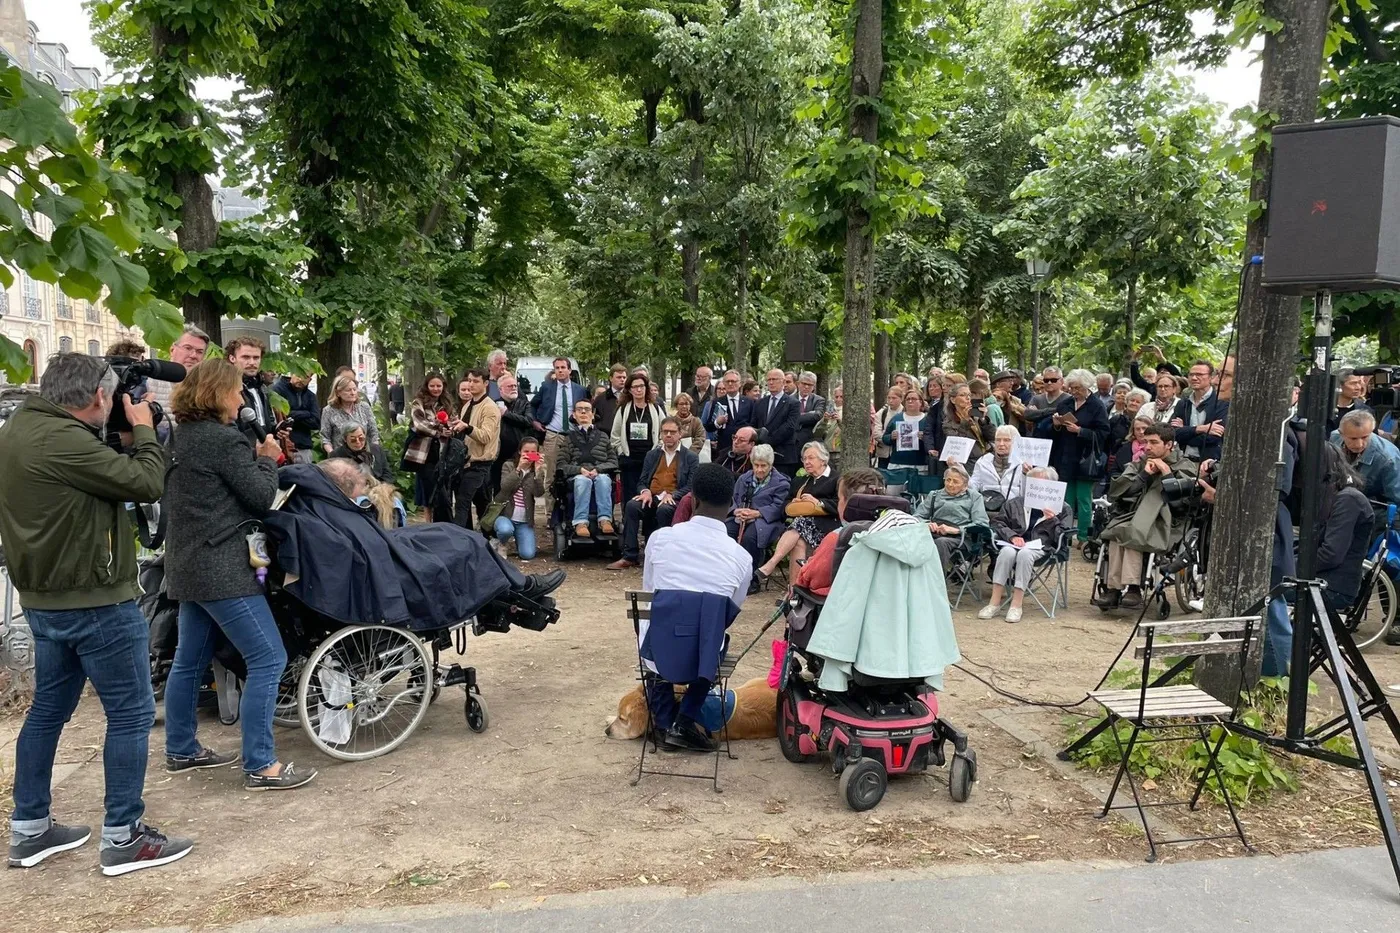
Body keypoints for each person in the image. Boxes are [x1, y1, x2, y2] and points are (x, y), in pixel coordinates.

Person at [1, 353, 190, 875]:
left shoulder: (23, 426)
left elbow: (87, 476)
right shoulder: (65, 440)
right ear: (97, 398)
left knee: (46, 713)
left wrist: (120, 440)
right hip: (95, 598)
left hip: (45, 597)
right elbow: (147, 484)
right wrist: (146, 430)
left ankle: (30, 829)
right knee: (129, 715)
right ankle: (124, 837)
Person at [162, 359, 316, 796]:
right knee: (268, 658)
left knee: (189, 659)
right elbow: (263, 497)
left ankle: (181, 747)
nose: (240, 400)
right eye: (235, 392)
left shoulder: (183, 436)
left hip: (188, 564)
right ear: (217, 394)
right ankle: (262, 764)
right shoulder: (222, 441)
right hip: (222, 569)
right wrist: (267, 460)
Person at [639, 464, 753, 751]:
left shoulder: (659, 539)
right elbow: (730, 611)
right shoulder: (741, 558)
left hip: (657, 652)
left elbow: (651, 592)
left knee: (657, 620)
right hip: (702, 658)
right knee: (714, 633)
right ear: (730, 505)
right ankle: (684, 720)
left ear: (693, 500)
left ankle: (664, 722)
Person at [1094, 423, 1197, 610]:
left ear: (1169, 445)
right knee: (1117, 533)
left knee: (1134, 533)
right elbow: (1119, 493)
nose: (1147, 447)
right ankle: (1113, 589)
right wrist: (1144, 474)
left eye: (1153, 442)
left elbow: (1182, 503)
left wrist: (1166, 472)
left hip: (1167, 523)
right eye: (1146, 442)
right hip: (1134, 515)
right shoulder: (1140, 462)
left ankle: (1134, 588)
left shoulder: (1185, 465)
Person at [978, 467, 1075, 623]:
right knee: (1007, 552)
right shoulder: (1014, 503)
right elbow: (998, 523)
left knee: (1025, 554)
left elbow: (1063, 536)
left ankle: (1016, 605)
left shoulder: (1063, 508)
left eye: (1042, 484)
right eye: (1033, 483)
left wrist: (1053, 520)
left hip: (1045, 547)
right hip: (1016, 543)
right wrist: (1012, 536)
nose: (1037, 487)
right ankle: (994, 602)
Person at [611, 418, 698, 569]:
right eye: (665, 432)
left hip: (674, 499)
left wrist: (673, 495)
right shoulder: (652, 455)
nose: (668, 435)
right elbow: (642, 481)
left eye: (672, 432)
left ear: (680, 434)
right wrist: (645, 492)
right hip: (653, 496)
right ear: (660, 434)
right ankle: (630, 555)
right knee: (632, 506)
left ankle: (661, 555)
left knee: (664, 509)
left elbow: (691, 486)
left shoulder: (690, 457)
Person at [791, 468, 888, 595]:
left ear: (848, 504)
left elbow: (813, 579)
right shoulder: (896, 533)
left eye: (839, 499)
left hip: (839, 605)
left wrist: (805, 570)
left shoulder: (838, 538)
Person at [753, 442, 840, 584]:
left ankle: (772, 564)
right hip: (802, 528)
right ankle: (794, 592)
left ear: (823, 460)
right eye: (804, 459)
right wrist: (793, 504)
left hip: (827, 525)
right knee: (799, 541)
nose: (807, 462)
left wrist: (818, 503)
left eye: (811, 458)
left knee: (799, 524)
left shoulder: (836, 479)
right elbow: (784, 507)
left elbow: (840, 505)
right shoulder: (801, 481)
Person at [1048, 369, 1111, 542]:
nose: (1074, 391)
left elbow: (1104, 432)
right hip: (1066, 457)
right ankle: (1065, 534)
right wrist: (1056, 425)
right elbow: (1056, 434)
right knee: (1066, 498)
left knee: (1083, 499)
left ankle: (1084, 535)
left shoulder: (1097, 406)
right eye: (1072, 388)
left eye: (1078, 388)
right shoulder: (1065, 404)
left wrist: (1080, 431)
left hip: (1086, 459)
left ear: (1086, 386)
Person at [1314, 443, 1375, 616]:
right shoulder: (1344, 496)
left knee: (1267, 591)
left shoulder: (1347, 500)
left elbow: (1331, 554)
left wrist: (1290, 568)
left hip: (1334, 587)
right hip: (1332, 581)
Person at [726, 444, 792, 586]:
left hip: (766, 521)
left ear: (771, 465)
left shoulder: (781, 483)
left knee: (750, 538)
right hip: (741, 517)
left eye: (764, 466)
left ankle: (751, 580)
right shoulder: (744, 479)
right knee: (726, 531)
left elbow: (778, 507)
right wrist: (737, 510)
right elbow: (734, 499)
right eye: (756, 465)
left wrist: (757, 513)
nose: (759, 470)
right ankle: (728, 574)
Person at [447, 370, 502, 529]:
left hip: (480, 464)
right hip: (465, 462)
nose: (471, 384)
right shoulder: (468, 405)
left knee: (464, 503)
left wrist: (467, 427)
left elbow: (486, 436)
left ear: (485, 383)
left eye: (476, 381)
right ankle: (476, 537)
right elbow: (464, 435)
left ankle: (464, 537)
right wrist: (454, 428)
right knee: (479, 504)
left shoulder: (490, 407)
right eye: (469, 380)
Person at [914, 462, 990, 571]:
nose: (950, 484)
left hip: (962, 538)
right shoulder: (934, 495)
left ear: (965, 485)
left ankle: (936, 583)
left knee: (941, 543)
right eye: (948, 480)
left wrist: (956, 530)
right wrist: (927, 524)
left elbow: (981, 523)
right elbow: (916, 517)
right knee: (912, 537)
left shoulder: (974, 497)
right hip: (934, 533)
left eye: (955, 481)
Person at [561, 397, 617, 537]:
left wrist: (598, 469)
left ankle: (605, 520)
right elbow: (561, 464)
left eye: (587, 410)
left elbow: (613, 461)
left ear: (593, 414)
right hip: (577, 476)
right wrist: (580, 470)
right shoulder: (568, 438)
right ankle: (580, 522)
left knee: (604, 479)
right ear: (574, 415)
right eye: (580, 410)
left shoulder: (603, 437)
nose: (584, 413)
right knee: (583, 480)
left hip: (599, 473)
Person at [530, 356, 589, 487]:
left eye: (563, 368)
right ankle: (550, 507)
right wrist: (535, 421)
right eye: (557, 368)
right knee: (551, 474)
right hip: (553, 435)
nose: (560, 371)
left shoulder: (580, 390)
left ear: (569, 370)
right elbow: (532, 405)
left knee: (575, 471)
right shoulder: (546, 387)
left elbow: (588, 409)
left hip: (575, 435)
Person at [407, 373, 455, 522]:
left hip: (444, 454)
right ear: (426, 386)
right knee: (436, 495)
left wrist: (450, 430)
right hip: (424, 455)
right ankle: (443, 525)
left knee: (442, 495)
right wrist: (439, 429)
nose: (435, 389)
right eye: (432, 385)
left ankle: (441, 526)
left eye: (438, 386)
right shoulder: (418, 403)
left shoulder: (447, 403)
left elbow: (454, 421)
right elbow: (419, 425)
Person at [1330, 409, 1400, 505]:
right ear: (1341, 434)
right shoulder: (1334, 438)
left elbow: (1397, 500)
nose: (1359, 444)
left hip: (1374, 507)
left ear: (1372, 431)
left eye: (1364, 437)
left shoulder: (1388, 458)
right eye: (1353, 438)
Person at [611, 372, 664, 498]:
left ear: (646, 388)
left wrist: (659, 447)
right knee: (629, 495)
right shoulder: (623, 409)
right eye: (635, 387)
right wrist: (621, 451)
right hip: (629, 459)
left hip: (651, 459)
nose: (639, 389)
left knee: (649, 491)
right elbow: (615, 435)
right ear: (629, 389)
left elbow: (664, 430)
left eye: (642, 386)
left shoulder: (655, 409)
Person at [493, 438, 545, 560]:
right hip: (506, 515)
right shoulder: (509, 465)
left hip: (524, 520)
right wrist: (518, 469)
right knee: (505, 530)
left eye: (533, 452)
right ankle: (501, 543)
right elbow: (505, 487)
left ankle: (520, 540)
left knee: (527, 554)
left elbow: (538, 493)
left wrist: (537, 473)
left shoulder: (536, 470)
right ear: (519, 452)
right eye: (526, 451)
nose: (529, 454)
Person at [1171, 360, 1229, 462]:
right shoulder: (1183, 403)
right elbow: (1173, 433)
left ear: (1211, 377)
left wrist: (1185, 430)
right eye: (1191, 374)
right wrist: (1200, 429)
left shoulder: (1221, 402)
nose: (1194, 378)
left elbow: (1214, 438)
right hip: (1183, 461)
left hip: (1208, 464)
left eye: (1199, 374)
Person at [147, 323, 210, 414]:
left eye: (199, 352)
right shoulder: (151, 380)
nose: (193, 355)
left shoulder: (209, 385)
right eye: (188, 348)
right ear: (172, 350)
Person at [493, 372, 536, 498]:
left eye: (515, 386)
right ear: (500, 389)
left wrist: (506, 414)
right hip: (499, 455)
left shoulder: (524, 404)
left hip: (519, 453)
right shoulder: (494, 404)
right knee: (498, 488)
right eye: (509, 386)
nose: (513, 388)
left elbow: (528, 421)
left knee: (522, 488)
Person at [226, 336, 277, 438]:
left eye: (256, 358)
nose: (252, 362)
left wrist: (276, 431)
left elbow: (267, 422)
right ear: (232, 358)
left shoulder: (261, 386)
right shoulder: (226, 387)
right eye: (246, 357)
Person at [320, 372, 380, 455]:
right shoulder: (328, 411)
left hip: (364, 456)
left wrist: (375, 453)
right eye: (348, 390)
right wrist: (333, 454)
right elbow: (325, 438)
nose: (353, 393)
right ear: (338, 393)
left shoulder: (364, 407)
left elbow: (374, 433)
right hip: (340, 458)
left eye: (354, 389)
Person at [754, 368, 800, 476]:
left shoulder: (793, 403)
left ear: (783, 382)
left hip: (783, 456)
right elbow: (754, 424)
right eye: (768, 379)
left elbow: (789, 427)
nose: (770, 382)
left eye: (774, 379)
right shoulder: (760, 403)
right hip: (762, 457)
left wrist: (768, 441)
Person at [970, 424, 1029, 504]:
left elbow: (1026, 495)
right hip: (986, 508)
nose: (1001, 444)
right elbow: (972, 486)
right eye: (998, 440)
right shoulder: (983, 461)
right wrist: (958, 469)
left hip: (1012, 511)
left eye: (1006, 440)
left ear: (1016, 442)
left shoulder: (1023, 464)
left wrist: (1025, 474)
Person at [882, 388, 932, 480]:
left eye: (913, 399)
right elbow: (885, 438)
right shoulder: (897, 418)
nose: (910, 401)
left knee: (918, 493)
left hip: (920, 465)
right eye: (908, 399)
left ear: (921, 402)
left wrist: (925, 438)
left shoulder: (927, 420)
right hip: (897, 464)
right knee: (892, 493)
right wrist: (891, 437)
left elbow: (935, 440)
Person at [270, 371, 321, 463]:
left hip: (304, 446)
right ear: (292, 374)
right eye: (299, 374)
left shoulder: (310, 396)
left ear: (310, 379)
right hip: (282, 446)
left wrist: (292, 416)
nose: (300, 379)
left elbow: (316, 422)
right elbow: (281, 415)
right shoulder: (278, 390)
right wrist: (306, 413)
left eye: (305, 377)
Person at [942, 382, 993, 469]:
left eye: (969, 395)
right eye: (963, 395)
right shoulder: (949, 423)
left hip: (985, 460)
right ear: (953, 400)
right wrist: (965, 421)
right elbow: (958, 445)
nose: (968, 398)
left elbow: (992, 436)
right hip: (967, 464)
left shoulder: (975, 416)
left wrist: (983, 419)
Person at [706, 369, 755, 458]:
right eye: (727, 381)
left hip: (745, 450)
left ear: (740, 383)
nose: (730, 384)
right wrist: (717, 422)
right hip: (724, 448)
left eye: (733, 381)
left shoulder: (749, 402)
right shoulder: (717, 402)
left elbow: (754, 424)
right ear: (724, 383)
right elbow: (709, 427)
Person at [1329, 368, 1373, 434]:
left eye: (1359, 383)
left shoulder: (1365, 410)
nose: (1358, 387)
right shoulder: (1323, 410)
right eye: (1353, 383)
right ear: (1339, 385)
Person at [1110, 415, 1154, 479]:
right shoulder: (1125, 448)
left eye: (1144, 428)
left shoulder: (1157, 448)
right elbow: (1114, 471)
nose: (1141, 432)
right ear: (1133, 432)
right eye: (1137, 429)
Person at [793, 371, 826, 451]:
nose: (806, 387)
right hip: (792, 443)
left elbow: (817, 416)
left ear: (814, 387)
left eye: (810, 385)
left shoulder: (819, 400)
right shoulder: (789, 400)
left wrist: (795, 417)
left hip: (811, 442)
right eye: (804, 384)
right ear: (798, 384)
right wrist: (808, 414)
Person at [594, 363, 630, 432]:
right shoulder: (600, 399)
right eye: (619, 377)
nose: (622, 380)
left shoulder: (631, 397)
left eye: (624, 377)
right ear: (611, 378)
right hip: (606, 437)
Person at [874, 385, 904, 467]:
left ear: (901, 399)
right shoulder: (882, 413)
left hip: (900, 455)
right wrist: (888, 437)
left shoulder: (905, 412)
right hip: (884, 454)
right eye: (889, 398)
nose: (891, 401)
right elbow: (876, 434)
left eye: (894, 398)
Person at [813, 383, 843, 466]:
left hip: (840, 452)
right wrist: (824, 420)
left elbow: (850, 432)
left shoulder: (848, 412)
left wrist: (840, 421)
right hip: (826, 451)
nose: (838, 399)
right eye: (836, 397)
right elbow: (816, 433)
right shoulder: (829, 411)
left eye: (841, 397)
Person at [672, 392, 708, 458]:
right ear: (676, 406)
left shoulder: (696, 421)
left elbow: (700, 438)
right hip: (674, 455)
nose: (684, 406)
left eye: (687, 404)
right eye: (681, 404)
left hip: (692, 456)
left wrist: (689, 454)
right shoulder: (671, 421)